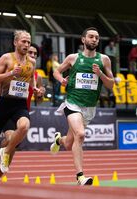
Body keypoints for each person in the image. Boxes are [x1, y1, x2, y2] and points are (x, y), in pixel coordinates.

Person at [50, 27, 114, 185]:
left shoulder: (104, 59)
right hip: (72, 103)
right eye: (91, 37)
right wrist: (62, 80)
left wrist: (100, 74)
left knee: (69, 144)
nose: (94, 40)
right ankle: (80, 176)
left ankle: (59, 140)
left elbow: (111, 85)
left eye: (97, 38)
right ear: (83, 40)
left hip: (89, 107)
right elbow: (56, 72)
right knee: (80, 134)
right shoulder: (73, 58)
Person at [0, 30, 41, 181]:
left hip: (20, 103)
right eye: (23, 41)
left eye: (28, 42)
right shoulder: (6, 58)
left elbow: (31, 79)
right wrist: (10, 74)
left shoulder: (32, 62)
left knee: (24, 126)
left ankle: (5, 153)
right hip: (4, 103)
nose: (26, 44)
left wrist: (35, 88)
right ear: (15, 42)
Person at [0, 43, 45, 180]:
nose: (31, 55)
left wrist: (40, 93)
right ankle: (1, 156)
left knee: (14, 144)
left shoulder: (37, 76)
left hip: (23, 109)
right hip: (8, 107)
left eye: (34, 54)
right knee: (9, 140)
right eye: (30, 52)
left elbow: (40, 98)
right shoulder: (13, 65)